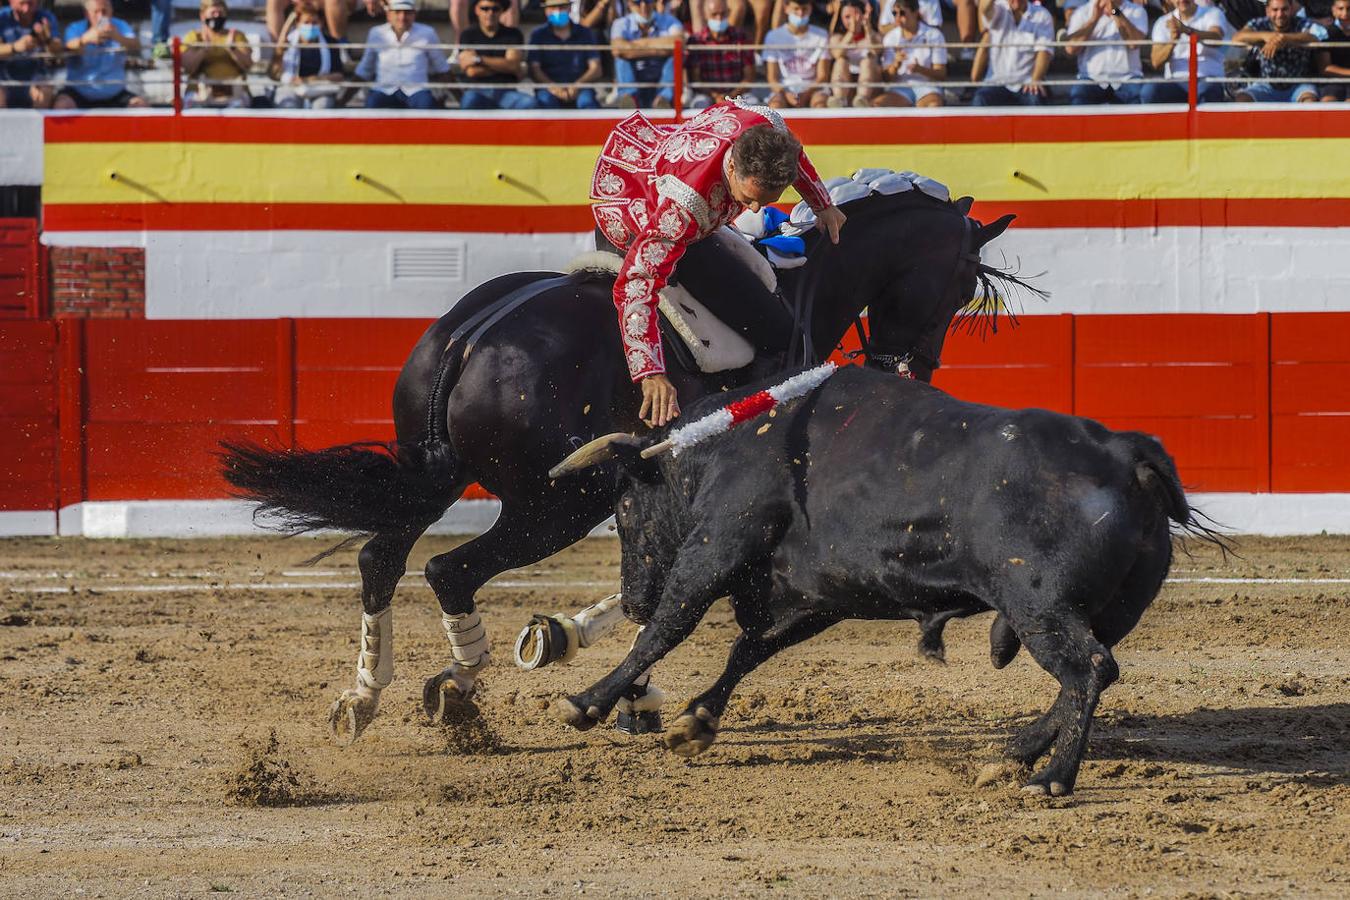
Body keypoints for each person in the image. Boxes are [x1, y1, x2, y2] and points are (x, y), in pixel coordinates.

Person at [589, 99, 847, 427]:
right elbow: (636, 281)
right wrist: (649, 372)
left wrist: (821, 203)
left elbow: (794, 157)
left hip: (652, 161)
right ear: (730, 168)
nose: (754, 210)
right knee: (778, 334)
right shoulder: (685, 207)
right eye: (748, 198)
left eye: (765, 201)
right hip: (636, 213)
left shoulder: (765, 126)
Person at [355, 0, 449, 109]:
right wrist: (342, 101)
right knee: (372, 106)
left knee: (426, 105)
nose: (402, 17)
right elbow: (364, 69)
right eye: (397, 12)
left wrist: (460, 99)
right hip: (383, 90)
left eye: (407, 12)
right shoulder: (376, 33)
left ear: (414, 14)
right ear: (389, 14)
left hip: (417, 90)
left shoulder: (428, 33)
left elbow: (442, 68)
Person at [1232, 0, 1329, 102]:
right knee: (1242, 99)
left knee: (1310, 102)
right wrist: (1266, 36)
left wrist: (1284, 38)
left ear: (1291, 9)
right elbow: (1237, 38)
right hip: (1266, 85)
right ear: (1268, 11)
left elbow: (1315, 37)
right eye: (1275, 10)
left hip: (1299, 85)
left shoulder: (1302, 23)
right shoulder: (1260, 23)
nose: (1280, 14)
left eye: (1284, 9)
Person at [55, 0, 145, 109]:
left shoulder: (120, 25)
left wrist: (117, 36)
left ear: (111, 12)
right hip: (79, 93)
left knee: (140, 106)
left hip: (115, 94)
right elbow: (68, 48)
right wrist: (85, 39)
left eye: (104, 11)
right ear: (87, 14)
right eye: (96, 12)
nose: (101, 16)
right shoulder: (75, 28)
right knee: (62, 105)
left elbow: (136, 45)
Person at [1064, 0, 1148, 104]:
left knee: (1140, 97)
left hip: (1128, 78)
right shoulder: (1082, 11)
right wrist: (1094, 19)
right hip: (1091, 79)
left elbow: (1134, 43)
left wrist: (1115, 12)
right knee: (1079, 94)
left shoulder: (1136, 11)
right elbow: (1071, 49)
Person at [1143, 0, 1228, 104]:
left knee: (1206, 91)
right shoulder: (1163, 22)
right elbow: (1156, 62)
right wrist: (1173, 41)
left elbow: (1216, 38)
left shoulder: (1213, 13)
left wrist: (1186, 30)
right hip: (1176, 82)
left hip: (1207, 78)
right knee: (1149, 92)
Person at [971, 0, 1054, 106]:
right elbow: (985, 10)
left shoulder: (1042, 15)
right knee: (980, 99)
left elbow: (1044, 52)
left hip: (1026, 83)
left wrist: (1035, 79)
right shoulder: (998, 9)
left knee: (1035, 99)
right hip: (995, 83)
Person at [458, 0, 535, 109]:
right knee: (469, 100)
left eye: (495, 9)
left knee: (529, 103)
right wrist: (504, 66)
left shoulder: (513, 34)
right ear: (476, 10)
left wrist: (479, 60)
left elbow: (513, 65)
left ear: (502, 11)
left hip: (506, 91)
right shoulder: (468, 34)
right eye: (485, 9)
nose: (490, 13)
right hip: (477, 90)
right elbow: (472, 72)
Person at [527, 0, 602, 108]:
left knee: (588, 103)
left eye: (562, 7)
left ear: (569, 8)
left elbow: (596, 69)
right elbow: (535, 69)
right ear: (546, 11)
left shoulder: (585, 33)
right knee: (546, 103)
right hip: (548, 88)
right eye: (553, 8)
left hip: (581, 87)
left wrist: (577, 86)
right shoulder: (538, 34)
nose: (557, 11)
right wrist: (554, 88)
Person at [611, 0, 684, 108]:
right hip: (635, 75)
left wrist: (633, 47)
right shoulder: (620, 23)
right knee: (621, 59)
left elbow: (679, 43)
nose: (643, 6)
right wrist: (660, 47)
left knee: (674, 56)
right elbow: (617, 49)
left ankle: (663, 98)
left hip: (659, 74)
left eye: (648, 1)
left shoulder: (669, 20)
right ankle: (630, 97)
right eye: (637, 2)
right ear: (629, 4)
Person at [272, 0, 344, 108]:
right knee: (287, 105)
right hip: (291, 87)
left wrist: (309, 80)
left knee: (323, 107)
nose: (310, 26)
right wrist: (287, 24)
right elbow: (274, 72)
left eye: (314, 23)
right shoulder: (288, 42)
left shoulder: (330, 43)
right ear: (297, 24)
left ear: (321, 23)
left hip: (319, 89)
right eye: (306, 23)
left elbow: (339, 76)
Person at [182, 0, 254, 108]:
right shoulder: (194, 37)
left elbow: (248, 65)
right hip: (200, 93)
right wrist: (204, 50)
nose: (217, 16)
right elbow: (188, 67)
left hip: (234, 93)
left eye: (220, 13)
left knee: (240, 106)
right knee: (192, 104)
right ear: (202, 15)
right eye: (213, 13)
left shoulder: (236, 36)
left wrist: (232, 49)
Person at [874, 0, 946, 107]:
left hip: (928, 87)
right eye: (894, 13)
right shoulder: (890, 38)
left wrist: (920, 70)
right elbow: (886, 78)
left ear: (915, 13)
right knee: (877, 105)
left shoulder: (934, 35)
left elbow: (941, 74)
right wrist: (895, 65)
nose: (897, 17)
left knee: (933, 106)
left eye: (902, 13)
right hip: (899, 88)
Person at [687, 0, 756, 107]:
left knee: (754, 105)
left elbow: (749, 77)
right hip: (707, 95)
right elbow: (696, 79)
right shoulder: (697, 40)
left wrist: (729, 96)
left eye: (722, 14)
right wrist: (715, 96)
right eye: (714, 14)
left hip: (738, 94)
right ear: (705, 14)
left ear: (728, 13)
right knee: (699, 104)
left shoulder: (742, 37)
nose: (719, 18)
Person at [763, 0, 830, 107]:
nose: (800, 13)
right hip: (784, 88)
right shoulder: (773, 36)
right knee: (775, 106)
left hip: (813, 88)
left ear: (810, 8)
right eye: (796, 9)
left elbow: (822, 76)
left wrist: (807, 93)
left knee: (820, 104)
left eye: (804, 9)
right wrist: (785, 93)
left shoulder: (822, 35)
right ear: (786, 8)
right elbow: (772, 78)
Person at [0, 0, 62, 109]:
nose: (26, 10)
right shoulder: (2, 16)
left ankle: (36, 125)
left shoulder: (46, 17)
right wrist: (15, 47)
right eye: (22, 4)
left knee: (45, 92)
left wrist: (47, 40)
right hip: (5, 81)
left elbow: (57, 51)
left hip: (37, 79)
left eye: (30, 4)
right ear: (11, 2)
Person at [828, 0, 882, 107]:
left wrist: (867, 28)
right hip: (847, 82)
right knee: (841, 61)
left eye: (856, 15)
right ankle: (839, 99)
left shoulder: (873, 36)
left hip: (870, 85)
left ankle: (862, 99)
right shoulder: (837, 37)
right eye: (847, 17)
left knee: (867, 61)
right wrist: (852, 32)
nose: (852, 20)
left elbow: (876, 50)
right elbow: (837, 53)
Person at [1319, 0, 1349, 101]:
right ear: (1333, 11)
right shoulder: (1325, 33)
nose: (1345, 14)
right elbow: (1325, 68)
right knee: (1328, 102)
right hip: (1332, 82)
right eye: (1341, 9)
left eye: (1349, 9)